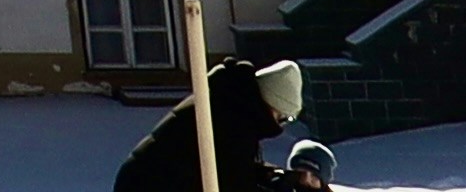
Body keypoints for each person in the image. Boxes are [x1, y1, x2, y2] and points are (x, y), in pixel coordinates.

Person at [110, 55, 317, 192]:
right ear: (271, 104)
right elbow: (235, 182)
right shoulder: (233, 121)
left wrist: (282, 178)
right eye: (283, 117)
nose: (280, 124)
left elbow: (236, 169)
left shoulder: (230, 102)